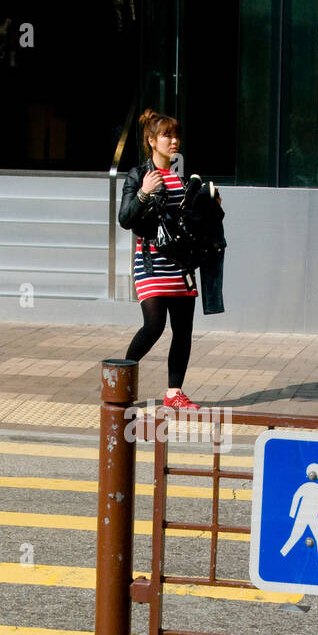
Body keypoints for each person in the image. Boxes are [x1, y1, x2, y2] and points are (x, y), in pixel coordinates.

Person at [120, 109, 222, 410]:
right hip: (151, 263)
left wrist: (211, 204)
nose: (174, 141)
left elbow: (193, 222)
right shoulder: (139, 175)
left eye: (176, 135)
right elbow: (125, 219)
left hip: (181, 266)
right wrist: (143, 193)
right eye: (167, 135)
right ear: (151, 141)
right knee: (153, 326)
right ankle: (118, 378)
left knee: (183, 331)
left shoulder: (182, 179)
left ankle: (174, 392)